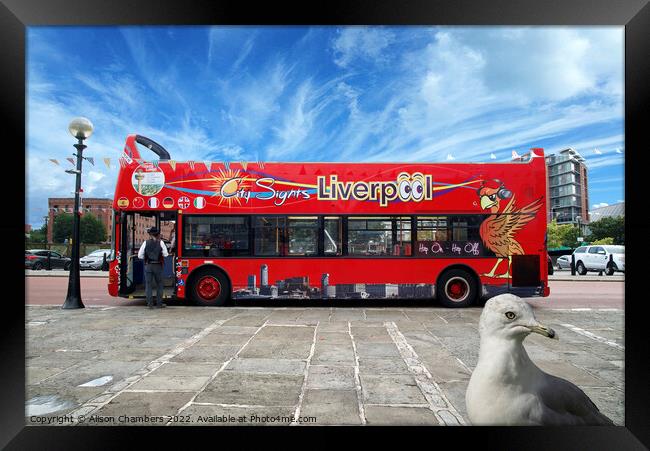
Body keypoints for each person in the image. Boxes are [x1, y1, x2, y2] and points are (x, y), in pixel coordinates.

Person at [138, 226, 169, 309]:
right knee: (159, 284)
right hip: (158, 266)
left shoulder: (145, 242)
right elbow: (166, 254)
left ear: (150, 234)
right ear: (158, 234)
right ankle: (159, 304)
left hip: (148, 265)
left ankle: (150, 304)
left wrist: (147, 256)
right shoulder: (161, 242)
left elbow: (140, 255)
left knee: (148, 285)